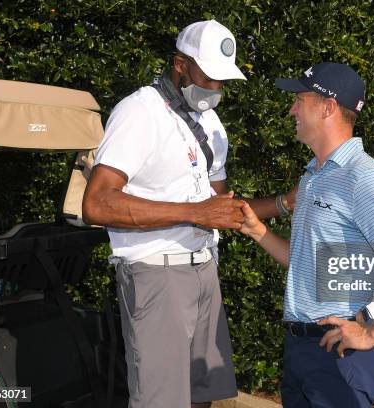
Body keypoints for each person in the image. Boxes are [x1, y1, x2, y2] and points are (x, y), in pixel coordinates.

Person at [82, 20, 293, 408]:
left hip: (204, 268)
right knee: (161, 400)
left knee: (203, 392)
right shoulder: (139, 112)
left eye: (223, 80)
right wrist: (195, 213)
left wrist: (284, 203)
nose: (216, 89)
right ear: (180, 63)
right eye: (210, 77)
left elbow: (223, 207)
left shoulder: (210, 123)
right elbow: (96, 204)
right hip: (155, 272)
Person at [239, 62, 374, 408]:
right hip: (303, 349)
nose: (291, 110)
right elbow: (304, 262)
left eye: (299, 100)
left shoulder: (362, 176)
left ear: (328, 107)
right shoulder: (313, 176)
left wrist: (373, 334)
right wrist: (257, 230)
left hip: (339, 354)